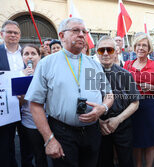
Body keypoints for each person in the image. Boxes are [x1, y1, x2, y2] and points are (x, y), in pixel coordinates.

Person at [24, 17, 114, 167]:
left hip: (92, 131)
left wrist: (103, 108)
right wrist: (49, 139)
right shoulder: (47, 63)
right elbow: (35, 104)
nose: (81, 34)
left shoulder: (94, 64)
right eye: (75, 30)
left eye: (84, 31)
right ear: (61, 36)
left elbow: (109, 94)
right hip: (62, 132)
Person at [124, 33, 154, 167]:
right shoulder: (127, 65)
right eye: (138, 45)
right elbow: (122, 86)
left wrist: (152, 87)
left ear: (149, 49)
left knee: (150, 140)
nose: (140, 48)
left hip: (149, 105)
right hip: (132, 106)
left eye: (144, 45)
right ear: (134, 47)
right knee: (136, 140)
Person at [96, 35, 140, 167]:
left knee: (126, 161)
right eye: (101, 50)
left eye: (109, 50)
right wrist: (99, 122)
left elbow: (135, 103)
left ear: (116, 52)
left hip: (122, 124)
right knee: (103, 161)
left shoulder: (126, 75)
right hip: (99, 125)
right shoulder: (90, 75)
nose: (105, 53)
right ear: (97, 53)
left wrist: (118, 120)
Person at [19, 44, 48, 167]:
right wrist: (21, 95)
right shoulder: (19, 75)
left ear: (39, 56)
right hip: (28, 122)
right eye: (26, 54)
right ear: (22, 57)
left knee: (46, 154)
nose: (30, 57)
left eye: (33, 53)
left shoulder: (46, 73)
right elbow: (20, 104)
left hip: (48, 120)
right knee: (33, 154)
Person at [0, 20, 24, 167]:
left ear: (20, 35)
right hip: (6, 107)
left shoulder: (27, 52)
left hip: (26, 105)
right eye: (9, 32)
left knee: (28, 144)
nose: (13, 35)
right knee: (5, 143)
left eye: (16, 33)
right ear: (2, 34)